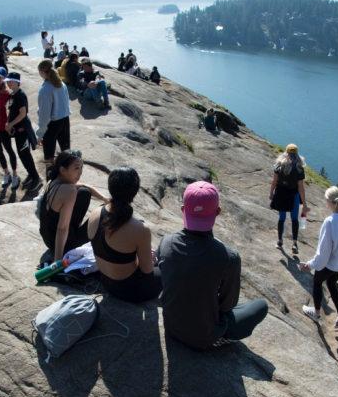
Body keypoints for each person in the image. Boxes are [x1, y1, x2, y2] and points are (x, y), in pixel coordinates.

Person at [157, 181, 269, 349]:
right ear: (218, 212)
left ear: (183, 210)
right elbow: (227, 305)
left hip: (171, 328)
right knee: (260, 306)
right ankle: (221, 338)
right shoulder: (228, 257)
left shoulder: (166, 242)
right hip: (204, 338)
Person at [87, 167, 162, 302]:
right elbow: (146, 271)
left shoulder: (95, 213)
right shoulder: (141, 230)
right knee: (169, 269)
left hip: (107, 283)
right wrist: (150, 258)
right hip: (130, 291)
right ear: (135, 191)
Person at [300, 186, 338, 328]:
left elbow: (323, 252)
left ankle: (316, 313)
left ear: (329, 201)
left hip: (333, 263)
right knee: (331, 283)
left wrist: (310, 265)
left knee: (317, 281)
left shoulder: (330, 221)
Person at [40, 150, 107, 261]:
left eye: (81, 168)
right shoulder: (68, 190)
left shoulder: (52, 181)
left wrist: (105, 198)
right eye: (76, 168)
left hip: (48, 238)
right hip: (63, 244)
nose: (80, 173)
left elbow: (86, 186)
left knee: (84, 192)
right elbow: (62, 228)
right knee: (105, 212)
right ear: (62, 170)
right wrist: (58, 260)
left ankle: (75, 233)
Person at [4, 72, 41, 191]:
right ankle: (31, 174)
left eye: (10, 81)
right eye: (7, 81)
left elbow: (23, 114)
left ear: (17, 82)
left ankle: (36, 178)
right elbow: (10, 111)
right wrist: (8, 123)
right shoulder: (12, 96)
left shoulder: (20, 95)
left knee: (25, 154)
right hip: (17, 129)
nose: (8, 83)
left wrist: (10, 124)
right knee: (21, 154)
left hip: (23, 129)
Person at [269, 144, 309, 253]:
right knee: (294, 219)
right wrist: (304, 204)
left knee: (281, 218)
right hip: (293, 195)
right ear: (296, 154)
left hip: (281, 193)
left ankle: (279, 241)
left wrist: (271, 192)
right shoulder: (299, 168)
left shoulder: (279, 165)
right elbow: (301, 187)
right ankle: (294, 243)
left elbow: (274, 181)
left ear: (286, 152)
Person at [36, 59, 71, 180]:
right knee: (66, 153)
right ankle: (69, 179)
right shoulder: (62, 85)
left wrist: (39, 134)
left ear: (41, 72)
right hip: (65, 121)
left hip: (52, 125)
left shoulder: (45, 89)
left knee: (49, 158)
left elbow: (44, 115)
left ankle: (51, 183)